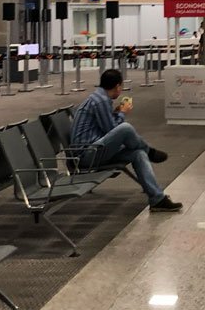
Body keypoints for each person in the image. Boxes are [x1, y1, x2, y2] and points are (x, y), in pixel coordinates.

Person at [70, 69, 182, 212]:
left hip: (96, 150)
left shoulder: (99, 98)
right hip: (87, 155)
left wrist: (116, 113)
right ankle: (150, 152)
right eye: (121, 87)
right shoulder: (101, 100)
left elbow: (108, 128)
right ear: (117, 86)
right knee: (126, 128)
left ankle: (157, 199)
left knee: (138, 154)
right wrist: (122, 113)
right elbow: (111, 130)